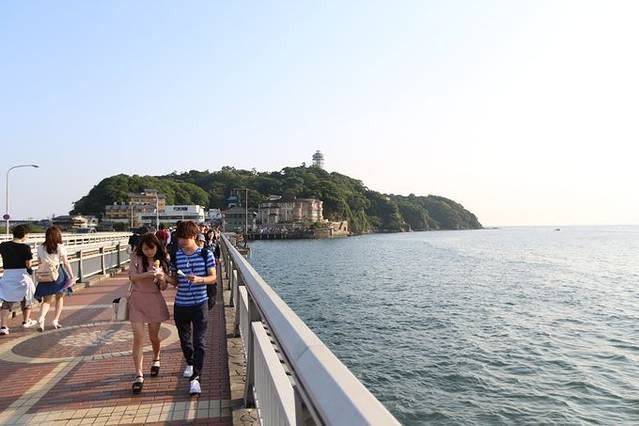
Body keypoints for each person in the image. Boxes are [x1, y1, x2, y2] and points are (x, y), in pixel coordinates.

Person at [166, 221, 216, 395]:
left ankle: (196, 378)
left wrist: (199, 279)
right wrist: (163, 276)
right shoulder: (176, 256)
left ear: (194, 237)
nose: (181, 241)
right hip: (181, 304)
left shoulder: (206, 254)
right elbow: (174, 281)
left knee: (199, 341)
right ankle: (190, 361)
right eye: (179, 238)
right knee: (184, 340)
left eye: (184, 238)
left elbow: (213, 278)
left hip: (200, 303)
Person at [127, 233, 170, 393]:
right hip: (137, 300)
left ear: (157, 247)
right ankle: (138, 375)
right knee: (138, 339)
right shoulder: (136, 258)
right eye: (145, 249)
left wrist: (161, 277)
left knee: (153, 337)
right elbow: (132, 277)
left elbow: (164, 287)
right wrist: (148, 274)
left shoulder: (162, 261)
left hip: (154, 300)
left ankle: (156, 357)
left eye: (151, 248)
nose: (149, 252)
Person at [34, 226, 75, 331]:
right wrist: (71, 276)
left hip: (45, 275)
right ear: (58, 236)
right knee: (59, 298)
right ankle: (55, 320)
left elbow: (40, 263)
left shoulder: (40, 248)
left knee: (46, 300)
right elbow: (66, 262)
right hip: (58, 274)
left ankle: (41, 317)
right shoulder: (60, 247)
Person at [0, 225, 37, 334]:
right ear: (24, 235)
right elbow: (28, 264)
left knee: (7, 301)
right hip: (22, 276)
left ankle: (3, 326)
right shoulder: (25, 248)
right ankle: (26, 321)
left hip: (8, 275)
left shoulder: (3, 245)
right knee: (26, 298)